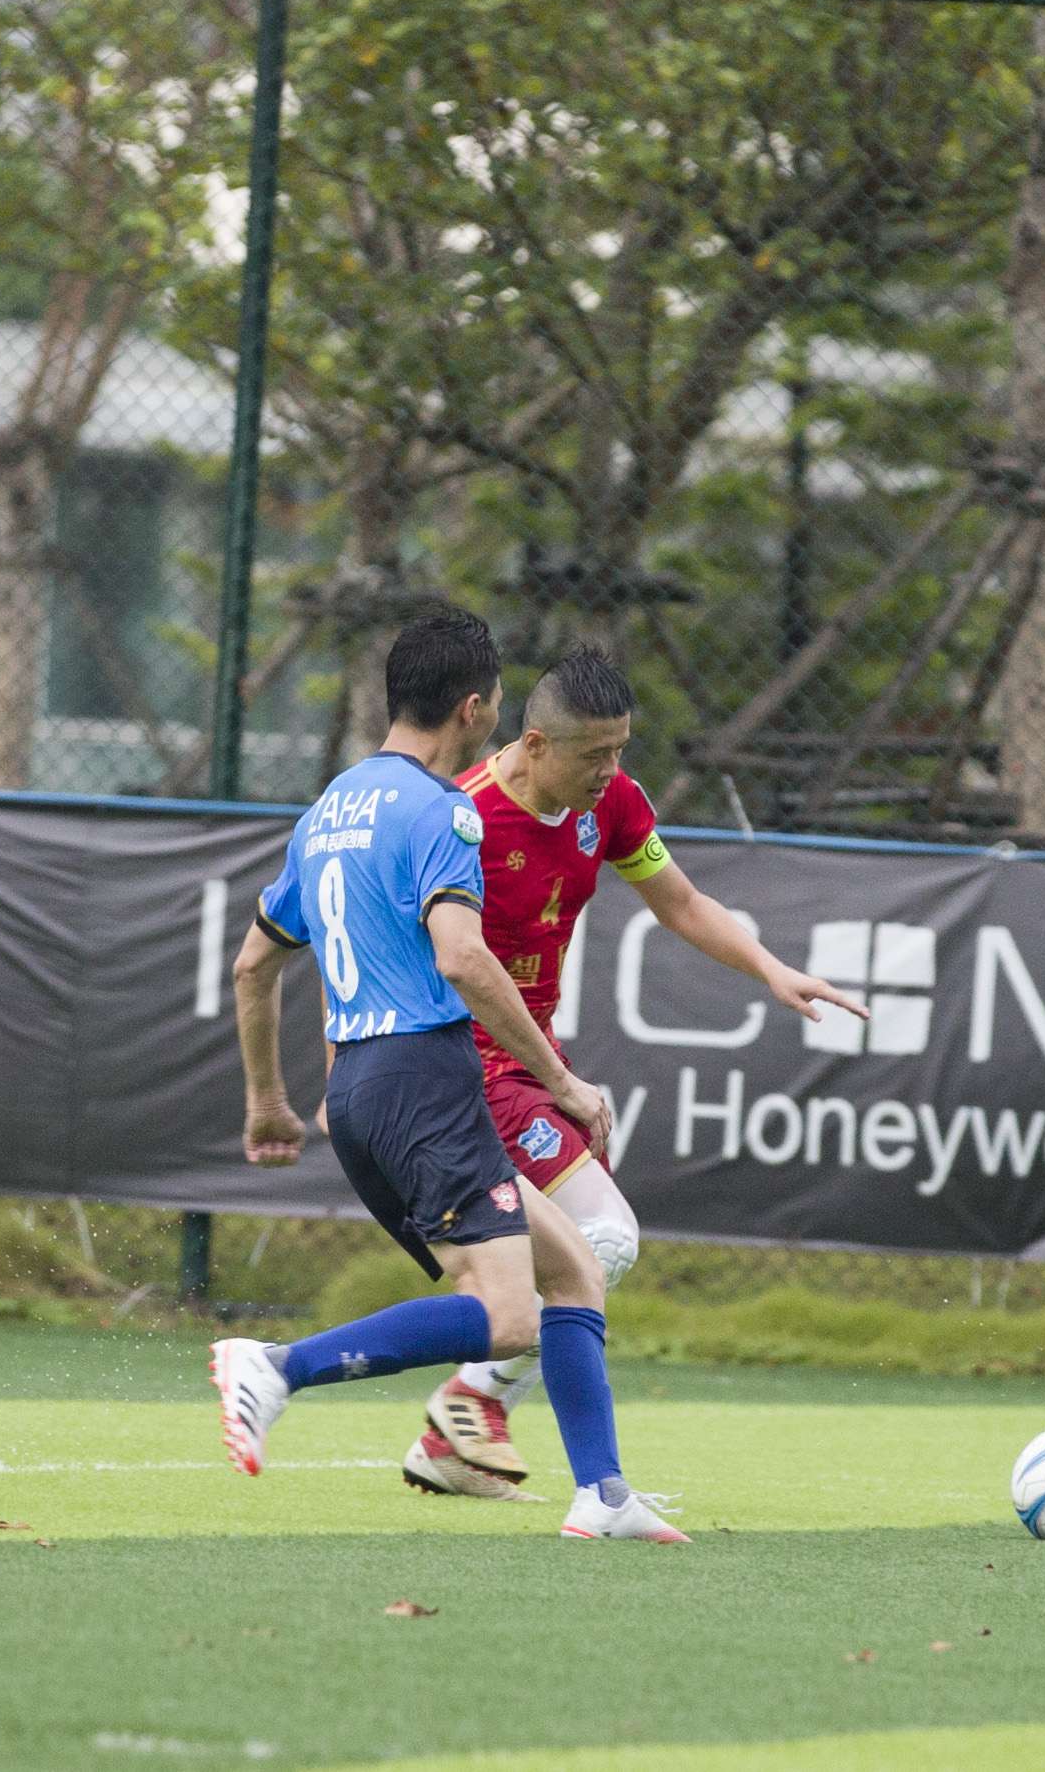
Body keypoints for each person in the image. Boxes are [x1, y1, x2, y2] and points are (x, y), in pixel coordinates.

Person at [211, 608, 687, 1542]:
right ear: (474, 709)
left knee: (576, 1269)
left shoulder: (329, 809)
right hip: (424, 1079)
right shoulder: (444, 811)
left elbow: (252, 966)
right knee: (506, 1316)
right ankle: (277, 1366)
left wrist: (268, 1100)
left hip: (363, 1089)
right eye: (497, 701)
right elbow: (465, 960)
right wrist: (561, 1082)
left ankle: (602, 1496)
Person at [397, 646, 868, 1497]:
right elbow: (408, 955)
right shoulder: (462, 818)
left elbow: (679, 902)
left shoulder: (608, 802)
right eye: (594, 754)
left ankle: (456, 1428)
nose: (611, 771)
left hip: (534, 1062)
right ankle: (464, 1402)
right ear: (534, 744)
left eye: (620, 750)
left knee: (578, 1258)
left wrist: (771, 970)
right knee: (601, 1243)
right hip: (465, 1067)